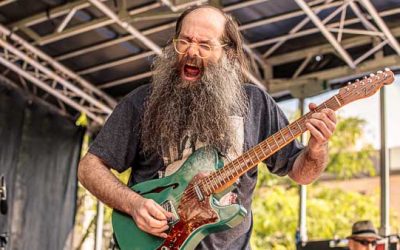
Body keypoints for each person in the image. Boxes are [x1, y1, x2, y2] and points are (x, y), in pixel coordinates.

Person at [78, 5, 337, 250]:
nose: (192, 52)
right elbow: (90, 167)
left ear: (228, 54)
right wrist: (133, 204)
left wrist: (317, 147)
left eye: (204, 45)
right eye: (185, 41)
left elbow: (301, 173)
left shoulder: (255, 104)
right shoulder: (142, 101)